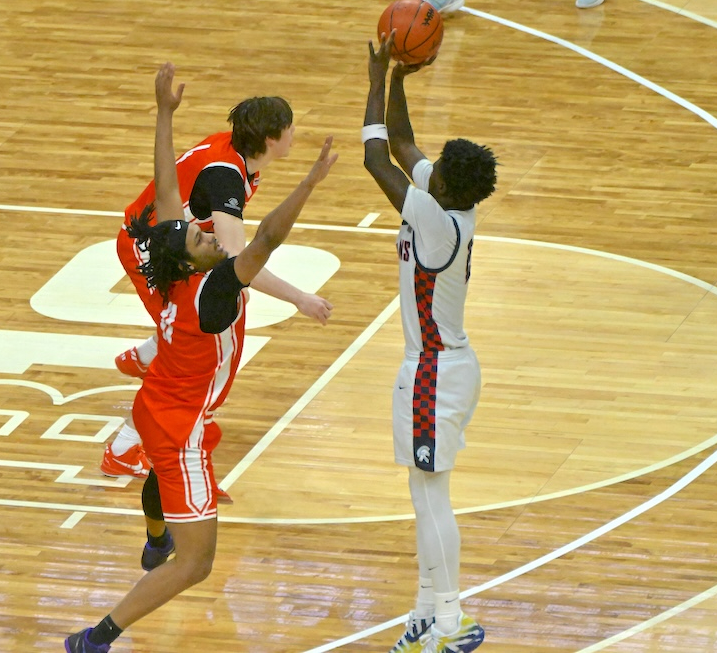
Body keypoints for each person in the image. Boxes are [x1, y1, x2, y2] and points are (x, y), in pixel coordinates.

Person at [65, 62, 337, 653]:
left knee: (165, 488)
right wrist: (311, 182)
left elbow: (167, 190)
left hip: (161, 405)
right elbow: (263, 242)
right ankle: (95, 638)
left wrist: (164, 112)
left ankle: (156, 533)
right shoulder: (214, 295)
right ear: (194, 261)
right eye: (201, 237)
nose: (209, 232)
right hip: (179, 423)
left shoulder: (173, 268)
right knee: (197, 566)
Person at [100, 81, 334, 479]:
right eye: (290, 128)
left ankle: (146, 353)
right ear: (270, 138)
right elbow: (236, 262)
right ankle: (123, 448)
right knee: (187, 353)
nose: (295, 134)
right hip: (152, 247)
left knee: (200, 322)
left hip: (177, 238)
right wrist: (299, 298)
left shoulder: (236, 148)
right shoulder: (226, 177)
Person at [363, 32, 496, 653]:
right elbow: (404, 142)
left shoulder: (438, 223)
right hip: (440, 367)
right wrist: (400, 77)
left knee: (431, 497)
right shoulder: (448, 200)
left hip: (435, 372)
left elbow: (377, 160)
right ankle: (424, 616)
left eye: (436, 165)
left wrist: (371, 78)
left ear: (443, 185)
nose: (427, 163)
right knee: (422, 496)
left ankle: (452, 621)